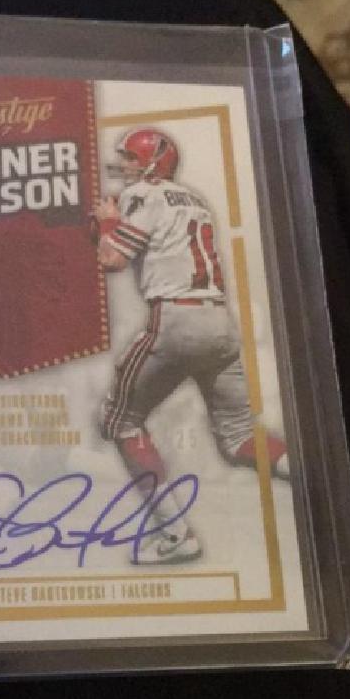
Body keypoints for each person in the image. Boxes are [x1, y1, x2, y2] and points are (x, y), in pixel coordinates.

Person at [93, 127, 289, 565]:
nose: (124, 164)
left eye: (131, 157)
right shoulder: (195, 199)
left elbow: (113, 258)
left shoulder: (143, 193)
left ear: (152, 162)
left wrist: (106, 222)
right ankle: (316, 476)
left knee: (119, 421)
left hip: (177, 319)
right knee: (240, 437)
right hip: (219, 321)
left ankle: (176, 534)